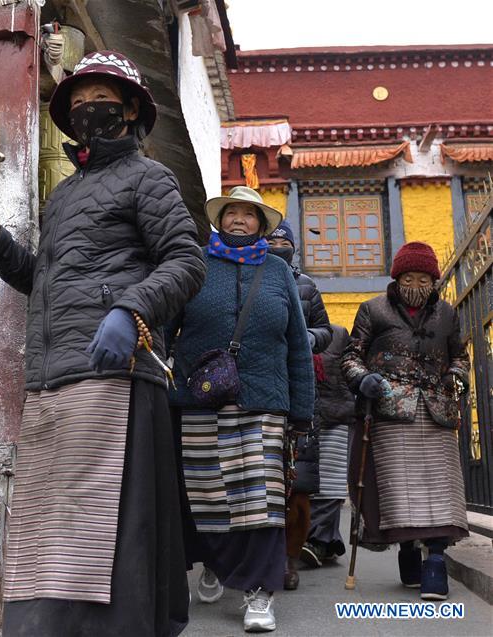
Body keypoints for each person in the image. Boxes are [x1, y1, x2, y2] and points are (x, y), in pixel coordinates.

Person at [0, 50, 206, 637]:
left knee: (108, 526)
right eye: (76, 106)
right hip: (53, 376)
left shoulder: (149, 178)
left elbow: (187, 260)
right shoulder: (64, 195)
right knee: (54, 521)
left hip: (114, 373)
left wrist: (130, 308)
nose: (86, 113)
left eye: (99, 102)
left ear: (128, 111)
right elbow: (44, 281)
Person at [167, 186, 314, 633]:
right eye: (231, 211)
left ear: (261, 226)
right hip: (200, 401)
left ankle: (258, 593)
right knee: (208, 498)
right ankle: (215, 563)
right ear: (218, 219)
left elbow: (297, 345)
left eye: (248, 215)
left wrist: (302, 412)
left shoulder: (277, 271)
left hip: (264, 402)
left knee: (263, 500)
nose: (238, 219)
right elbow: (164, 328)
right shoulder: (194, 264)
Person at [341, 241, 470, 601]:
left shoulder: (447, 314)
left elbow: (459, 355)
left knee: (442, 491)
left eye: (424, 277)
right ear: (397, 278)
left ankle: (436, 562)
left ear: (434, 279)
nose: (416, 284)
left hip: (437, 412)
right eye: (409, 276)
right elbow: (351, 356)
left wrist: (456, 376)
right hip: (389, 410)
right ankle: (409, 553)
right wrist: (363, 378)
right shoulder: (372, 310)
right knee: (401, 493)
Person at [266, 221, 333, 590]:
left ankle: (290, 559)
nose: (278, 245)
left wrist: (309, 336)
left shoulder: (307, 285)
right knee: (262, 482)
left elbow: (326, 330)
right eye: (271, 240)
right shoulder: (254, 276)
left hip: (301, 387)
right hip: (263, 383)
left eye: (284, 240)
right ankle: (263, 558)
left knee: (300, 486)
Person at [301, 324, 355, 568]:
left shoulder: (339, 334)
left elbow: (351, 369)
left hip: (336, 415)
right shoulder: (284, 325)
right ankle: (324, 540)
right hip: (303, 417)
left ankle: (318, 540)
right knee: (304, 481)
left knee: (331, 484)